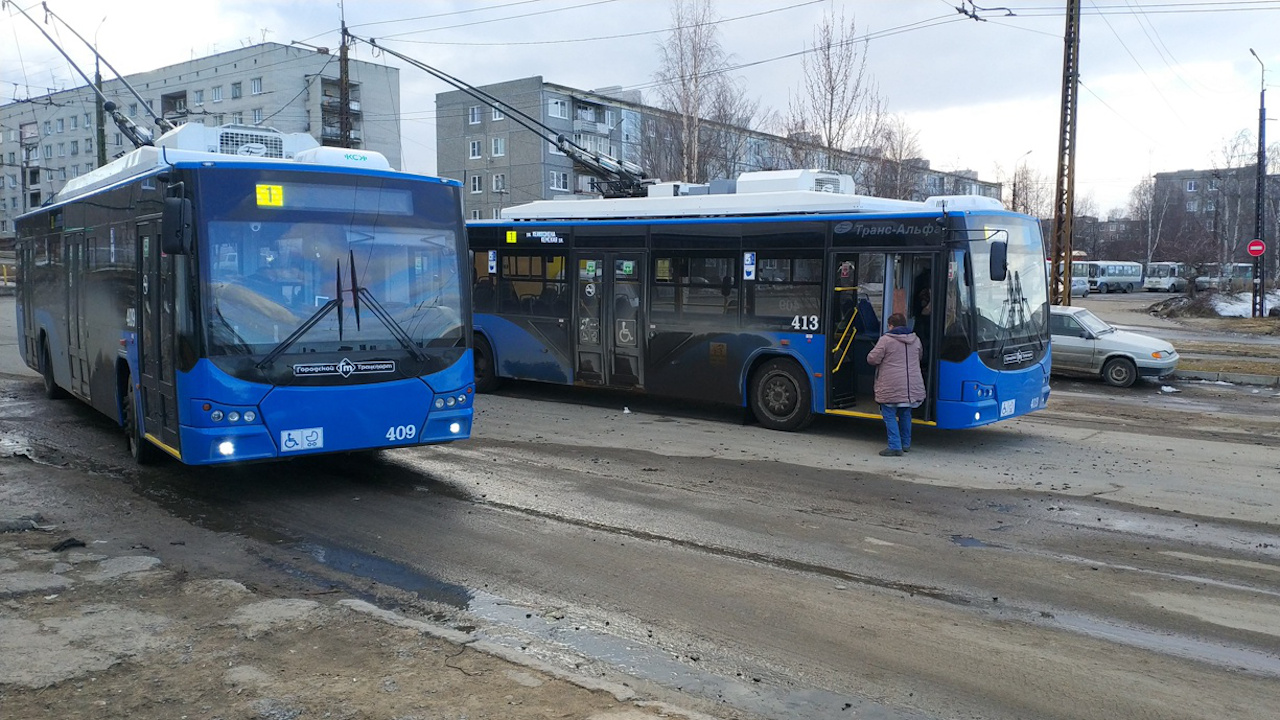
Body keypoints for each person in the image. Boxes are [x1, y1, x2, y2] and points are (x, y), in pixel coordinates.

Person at [866, 312, 926, 457]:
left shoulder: (886, 340)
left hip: (891, 384)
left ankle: (894, 446)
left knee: (889, 414)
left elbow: (872, 359)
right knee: (906, 413)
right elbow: (920, 356)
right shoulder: (916, 339)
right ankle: (905, 444)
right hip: (911, 385)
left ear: (891, 325)